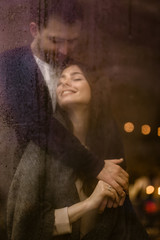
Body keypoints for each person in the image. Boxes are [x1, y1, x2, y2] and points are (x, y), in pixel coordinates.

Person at [0, 1, 128, 238]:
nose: (65, 51)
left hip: (73, 188)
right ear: (34, 30)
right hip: (18, 187)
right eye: (56, 40)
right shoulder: (9, 65)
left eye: (72, 41)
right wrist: (97, 166)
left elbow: (104, 123)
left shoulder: (77, 68)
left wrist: (116, 179)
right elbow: (36, 126)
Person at [7, 64, 149, 240]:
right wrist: (89, 204)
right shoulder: (42, 149)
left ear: (94, 91)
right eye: (60, 81)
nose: (65, 83)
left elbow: (125, 225)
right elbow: (25, 225)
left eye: (76, 78)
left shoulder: (106, 156)